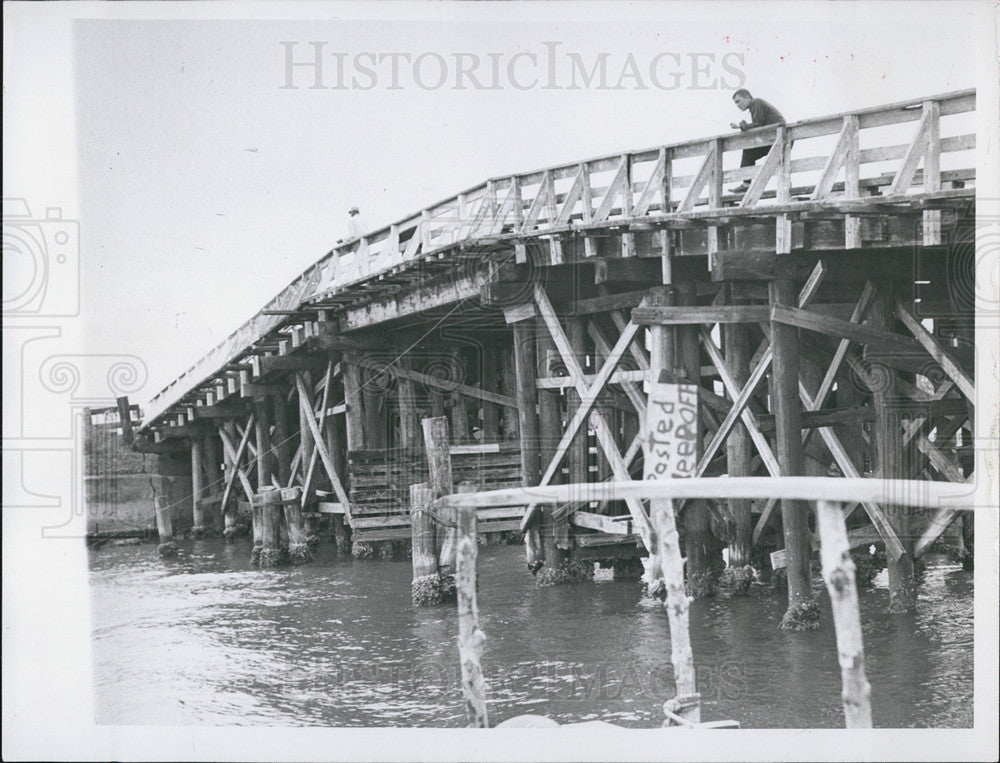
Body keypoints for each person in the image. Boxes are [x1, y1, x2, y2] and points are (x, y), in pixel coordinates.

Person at [729, 89, 786, 193]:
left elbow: (758, 124)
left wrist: (742, 126)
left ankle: (746, 184)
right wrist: (743, 126)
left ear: (747, 98)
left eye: (738, 101)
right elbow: (760, 124)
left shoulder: (756, 102)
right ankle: (746, 184)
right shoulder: (754, 106)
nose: (737, 105)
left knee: (749, 152)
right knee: (749, 152)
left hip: (779, 138)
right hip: (776, 138)